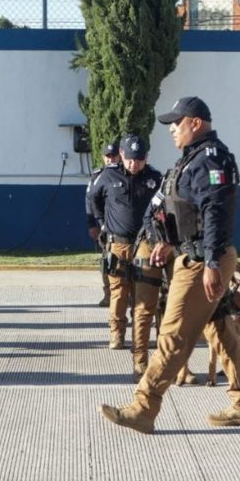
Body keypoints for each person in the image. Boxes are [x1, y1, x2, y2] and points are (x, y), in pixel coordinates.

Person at [100, 96, 240, 434]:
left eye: (177, 122)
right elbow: (186, 212)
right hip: (195, 254)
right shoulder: (192, 159)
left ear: (196, 123)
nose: (172, 129)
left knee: (173, 333)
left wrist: (212, 262)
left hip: (203, 260)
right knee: (219, 328)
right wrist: (168, 242)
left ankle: (143, 407)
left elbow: (214, 213)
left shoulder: (210, 159)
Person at [87, 134, 162, 355]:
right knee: (118, 291)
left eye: (139, 159)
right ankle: (117, 334)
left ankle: (140, 337)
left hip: (144, 245)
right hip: (118, 245)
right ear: (121, 154)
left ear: (146, 157)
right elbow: (93, 199)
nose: (134, 163)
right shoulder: (107, 176)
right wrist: (101, 222)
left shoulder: (155, 178)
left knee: (143, 293)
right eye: (130, 159)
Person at [86, 141, 121, 307]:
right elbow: (89, 201)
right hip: (105, 225)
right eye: (108, 156)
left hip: (122, 225)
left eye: (114, 156)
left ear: (119, 156)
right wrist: (92, 224)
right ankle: (108, 294)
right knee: (107, 261)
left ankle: (126, 295)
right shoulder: (98, 176)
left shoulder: (125, 174)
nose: (111, 159)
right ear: (103, 157)